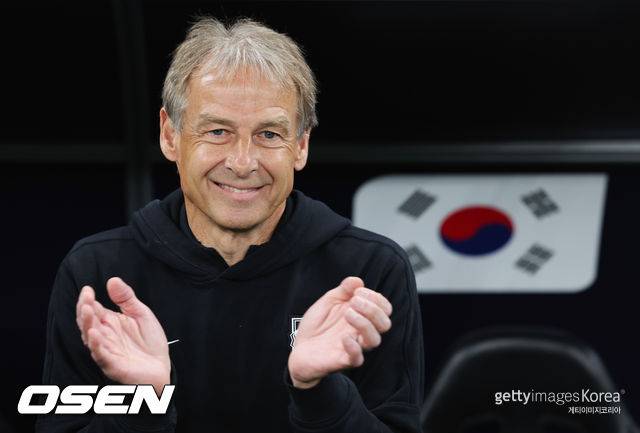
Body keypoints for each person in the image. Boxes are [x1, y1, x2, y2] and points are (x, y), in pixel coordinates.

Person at [36, 16, 424, 433]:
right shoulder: (97, 273)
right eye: (218, 131)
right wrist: (144, 404)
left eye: (269, 134)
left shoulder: (368, 273)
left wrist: (318, 392)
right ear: (170, 135)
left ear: (301, 145)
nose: (242, 162)